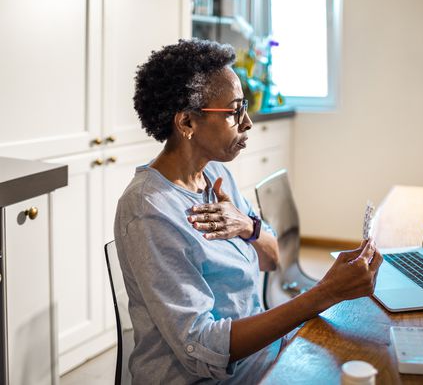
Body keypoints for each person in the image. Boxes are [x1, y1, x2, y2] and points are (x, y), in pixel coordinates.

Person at [114, 38, 383, 384]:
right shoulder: (149, 211)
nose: (248, 123)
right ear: (186, 124)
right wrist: (325, 293)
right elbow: (201, 345)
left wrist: (248, 226)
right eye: (235, 110)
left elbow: (272, 260)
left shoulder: (215, 175)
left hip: (260, 358)